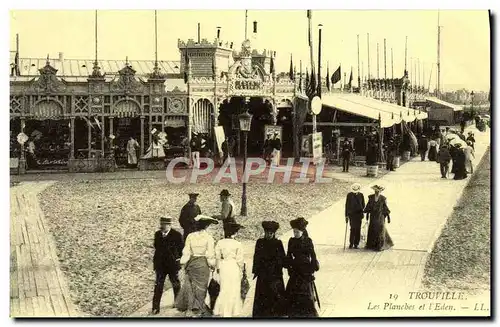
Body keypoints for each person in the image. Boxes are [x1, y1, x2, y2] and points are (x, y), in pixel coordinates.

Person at [175, 215, 218, 317]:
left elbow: (186, 252)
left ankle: (192, 308)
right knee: (201, 287)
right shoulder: (209, 238)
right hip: (202, 264)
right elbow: (209, 254)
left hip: (192, 263)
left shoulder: (190, 236)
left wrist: (183, 261)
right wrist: (212, 264)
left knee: (191, 287)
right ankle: (199, 308)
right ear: (206, 226)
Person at [285, 217, 319, 317]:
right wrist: (289, 266)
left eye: (297, 232)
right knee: (293, 291)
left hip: (306, 270)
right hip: (295, 269)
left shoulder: (308, 241)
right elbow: (288, 254)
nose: (295, 234)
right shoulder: (291, 241)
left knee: (306, 292)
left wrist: (312, 269)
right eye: (294, 232)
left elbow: (313, 255)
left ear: (302, 231)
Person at [252, 221, 286, 317]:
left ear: (274, 233)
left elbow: (282, 257)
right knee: (263, 293)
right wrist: (256, 270)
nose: (268, 235)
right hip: (263, 273)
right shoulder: (260, 242)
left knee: (275, 293)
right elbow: (256, 256)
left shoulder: (278, 243)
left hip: (275, 273)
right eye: (267, 233)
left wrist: (279, 265)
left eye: (271, 233)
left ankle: (275, 313)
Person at [152, 217, 184, 314]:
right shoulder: (157, 234)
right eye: (161, 224)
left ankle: (177, 302)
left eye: (165, 225)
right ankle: (155, 307)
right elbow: (156, 246)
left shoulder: (177, 235)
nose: (162, 226)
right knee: (158, 285)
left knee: (176, 284)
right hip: (160, 265)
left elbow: (181, 249)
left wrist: (177, 259)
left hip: (172, 265)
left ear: (169, 225)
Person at [213, 222, 245, 317]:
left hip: (224, 266)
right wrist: (242, 269)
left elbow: (217, 257)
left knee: (224, 287)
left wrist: (218, 268)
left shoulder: (220, 243)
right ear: (235, 233)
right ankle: (233, 310)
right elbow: (240, 260)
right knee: (234, 288)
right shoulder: (237, 244)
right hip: (233, 266)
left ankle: (221, 309)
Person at [364, 185, 393, 251]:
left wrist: (388, 217)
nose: (377, 192)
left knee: (380, 229)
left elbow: (385, 208)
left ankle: (380, 246)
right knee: (372, 229)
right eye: (376, 191)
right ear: (374, 191)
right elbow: (368, 206)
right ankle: (372, 245)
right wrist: (366, 211)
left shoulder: (383, 198)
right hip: (373, 216)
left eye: (378, 191)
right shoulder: (371, 197)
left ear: (381, 191)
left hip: (380, 216)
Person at [345, 183, 366, 249]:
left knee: (358, 229)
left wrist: (360, 209)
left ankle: (356, 244)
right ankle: (351, 243)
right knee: (352, 229)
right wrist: (346, 215)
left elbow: (363, 204)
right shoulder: (349, 195)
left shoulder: (361, 195)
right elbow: (347, 205)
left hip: (359, 215)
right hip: (352, 215)